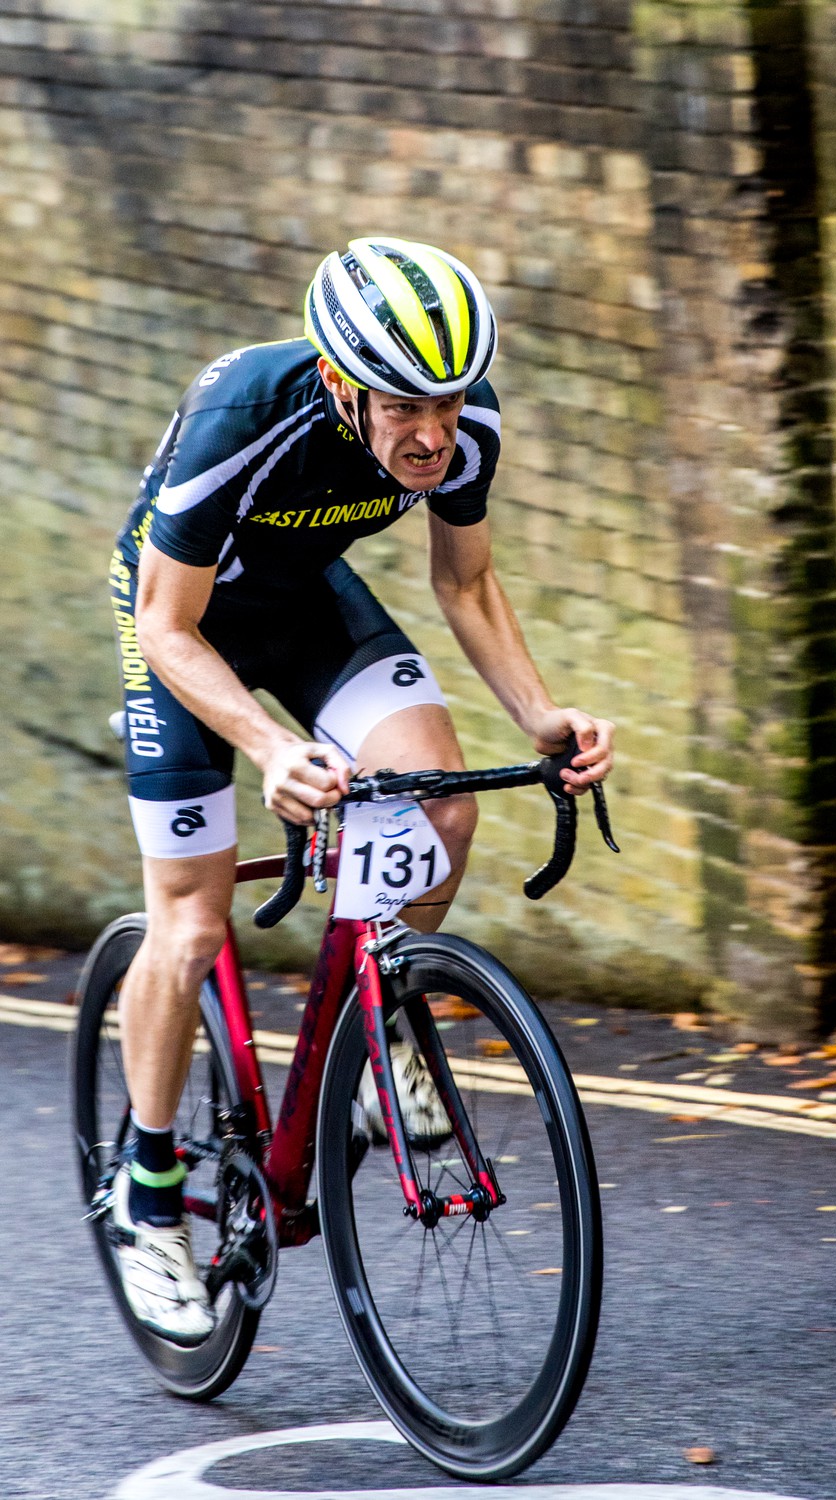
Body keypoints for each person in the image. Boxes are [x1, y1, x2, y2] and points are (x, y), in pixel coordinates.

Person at [107, 235, 615, 1345]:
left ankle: (378, 1049)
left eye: (445, 400)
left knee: (441, 804)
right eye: (400, 408)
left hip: (300, 606)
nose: (430, 433)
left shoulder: (460, 424)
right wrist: (268, 746)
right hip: (181, 625)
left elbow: (465, 578)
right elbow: (164, 622)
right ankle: (146, 1198)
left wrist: (540, 713)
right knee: (190, 922)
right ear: (341, 386)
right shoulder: (244, 413)